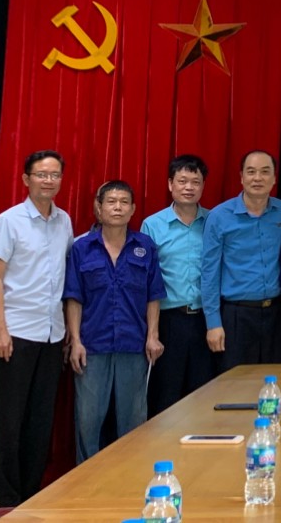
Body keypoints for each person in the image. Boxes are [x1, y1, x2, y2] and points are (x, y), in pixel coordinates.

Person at [0, 149, 73, 506]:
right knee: (10, 422)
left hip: (52, 334)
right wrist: (1, 329)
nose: (48, 181)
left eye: (54, 175)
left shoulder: (64, 221)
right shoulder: (9, 221)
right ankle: (8, 500)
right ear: (26, 179)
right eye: (41, 174)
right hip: (17, 332)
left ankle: (32, 495)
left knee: (40, 421)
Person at [63, 180, 166, 463]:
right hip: (92, 346)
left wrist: (153, 336)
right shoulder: (82, 248)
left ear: (133, 209)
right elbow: (74, 297)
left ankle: (131, 477)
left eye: (124, 202)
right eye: (111, 202)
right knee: (88, 421)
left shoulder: (144, 247)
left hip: (134, 345)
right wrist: (76, 341)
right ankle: (86, 480)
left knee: (134, 422)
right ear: (99, 208)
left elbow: (153, 295)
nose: (117, 207)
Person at [202, 150, 281, 370]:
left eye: (265, 172)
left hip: (276, 315)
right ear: (241, 177)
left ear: (274, 178)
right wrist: (213, 324)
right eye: (251, 172)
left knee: (278, 382)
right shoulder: (219, 216)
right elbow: (209, 273)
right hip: (236, 317)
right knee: (236, 385)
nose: (257, 178)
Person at [141, 155, 213, 417]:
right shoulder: (152, 225)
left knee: (203, 396)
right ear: (170, 184)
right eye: (182, 181)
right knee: (166, 398)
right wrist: (152, 332)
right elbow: (146, 281)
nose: (189, 187)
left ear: (203, 186)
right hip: (169, 321)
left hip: (207, 321)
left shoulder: (214, 221)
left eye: (195, 181)